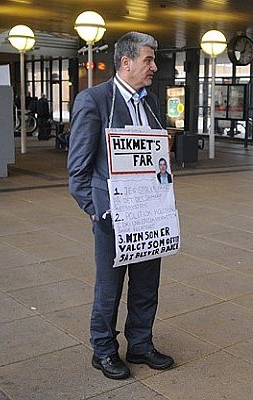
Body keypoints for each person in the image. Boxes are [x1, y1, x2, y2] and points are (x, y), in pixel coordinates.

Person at [68, 31, 175, 380]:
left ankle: (141, 345)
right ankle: (103, 350)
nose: (154, 67)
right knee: (109, 288)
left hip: (149, 214)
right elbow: (78, 171)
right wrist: (97, 211)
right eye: (148, 60)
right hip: (112, 216)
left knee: (146, 285)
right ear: (126, 62)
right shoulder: (94, 100)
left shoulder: (151, 103)